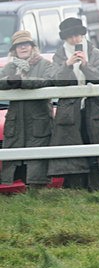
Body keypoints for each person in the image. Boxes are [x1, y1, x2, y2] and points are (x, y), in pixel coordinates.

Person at [47, 18, 99, 191]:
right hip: (69, 110)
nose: (75, 39)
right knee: (71, 146)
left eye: (77, 35)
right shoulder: (59, 55)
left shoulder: (94, 52)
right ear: (65, 38)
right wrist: (67, 66)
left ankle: (95, 185)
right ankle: (75, 187)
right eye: (71, 36)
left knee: (93, 143)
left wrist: (85, 65)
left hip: (92, 107)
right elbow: (55, 79)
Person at [0, 31, 54, 188]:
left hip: (38, 123)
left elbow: (48, 81)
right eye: (19, 45)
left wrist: (23, 82)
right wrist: (10, 81)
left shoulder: (45, 64)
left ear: (32, 47)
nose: (22, 47)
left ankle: (37, 197)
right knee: (16, 161)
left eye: (26, 44)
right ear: (14, 49)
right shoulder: (10, 67)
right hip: (16, 123)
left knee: (37, 165)